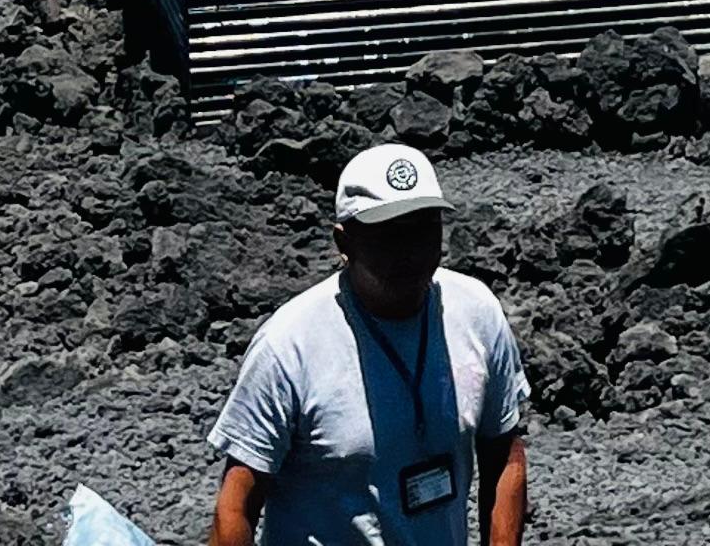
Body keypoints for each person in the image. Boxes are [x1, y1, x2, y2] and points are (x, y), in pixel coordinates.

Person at [208, 139, 529, 546]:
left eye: (424, 229)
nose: (410, 253)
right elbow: (235, 506)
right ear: (344, 243)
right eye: (389, 235)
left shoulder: (477, 312)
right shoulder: (290, 346)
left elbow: (504, 450)